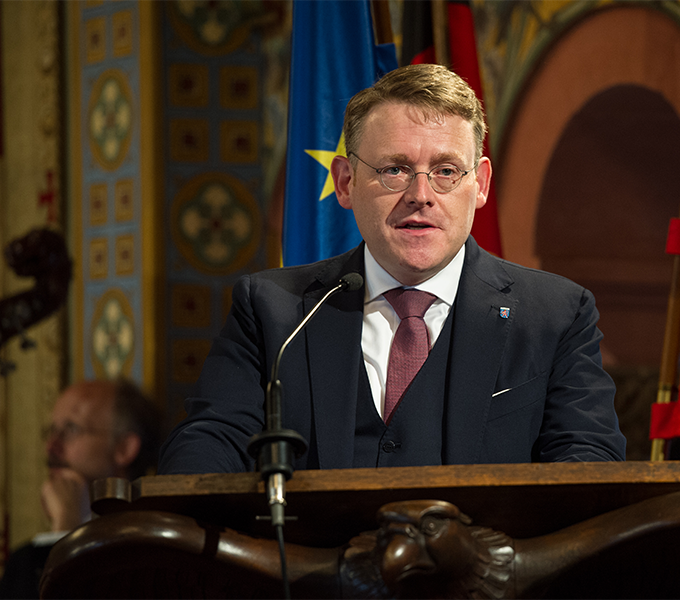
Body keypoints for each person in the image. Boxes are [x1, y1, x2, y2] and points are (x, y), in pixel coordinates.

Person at [159, 63, 625, 474]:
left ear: (480, 185)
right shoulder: (273, 312)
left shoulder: (555, 316)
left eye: (445, 170)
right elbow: (208, 445)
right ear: (345, 182)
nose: (421, 194)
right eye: (395, 170)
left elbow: (588, 465)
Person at [0, 379, 162, 599]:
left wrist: (65, 530)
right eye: (51, 431)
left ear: (124, 448)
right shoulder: (24, 562)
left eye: (71, 429)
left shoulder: (153, 556)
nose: (51, 446)